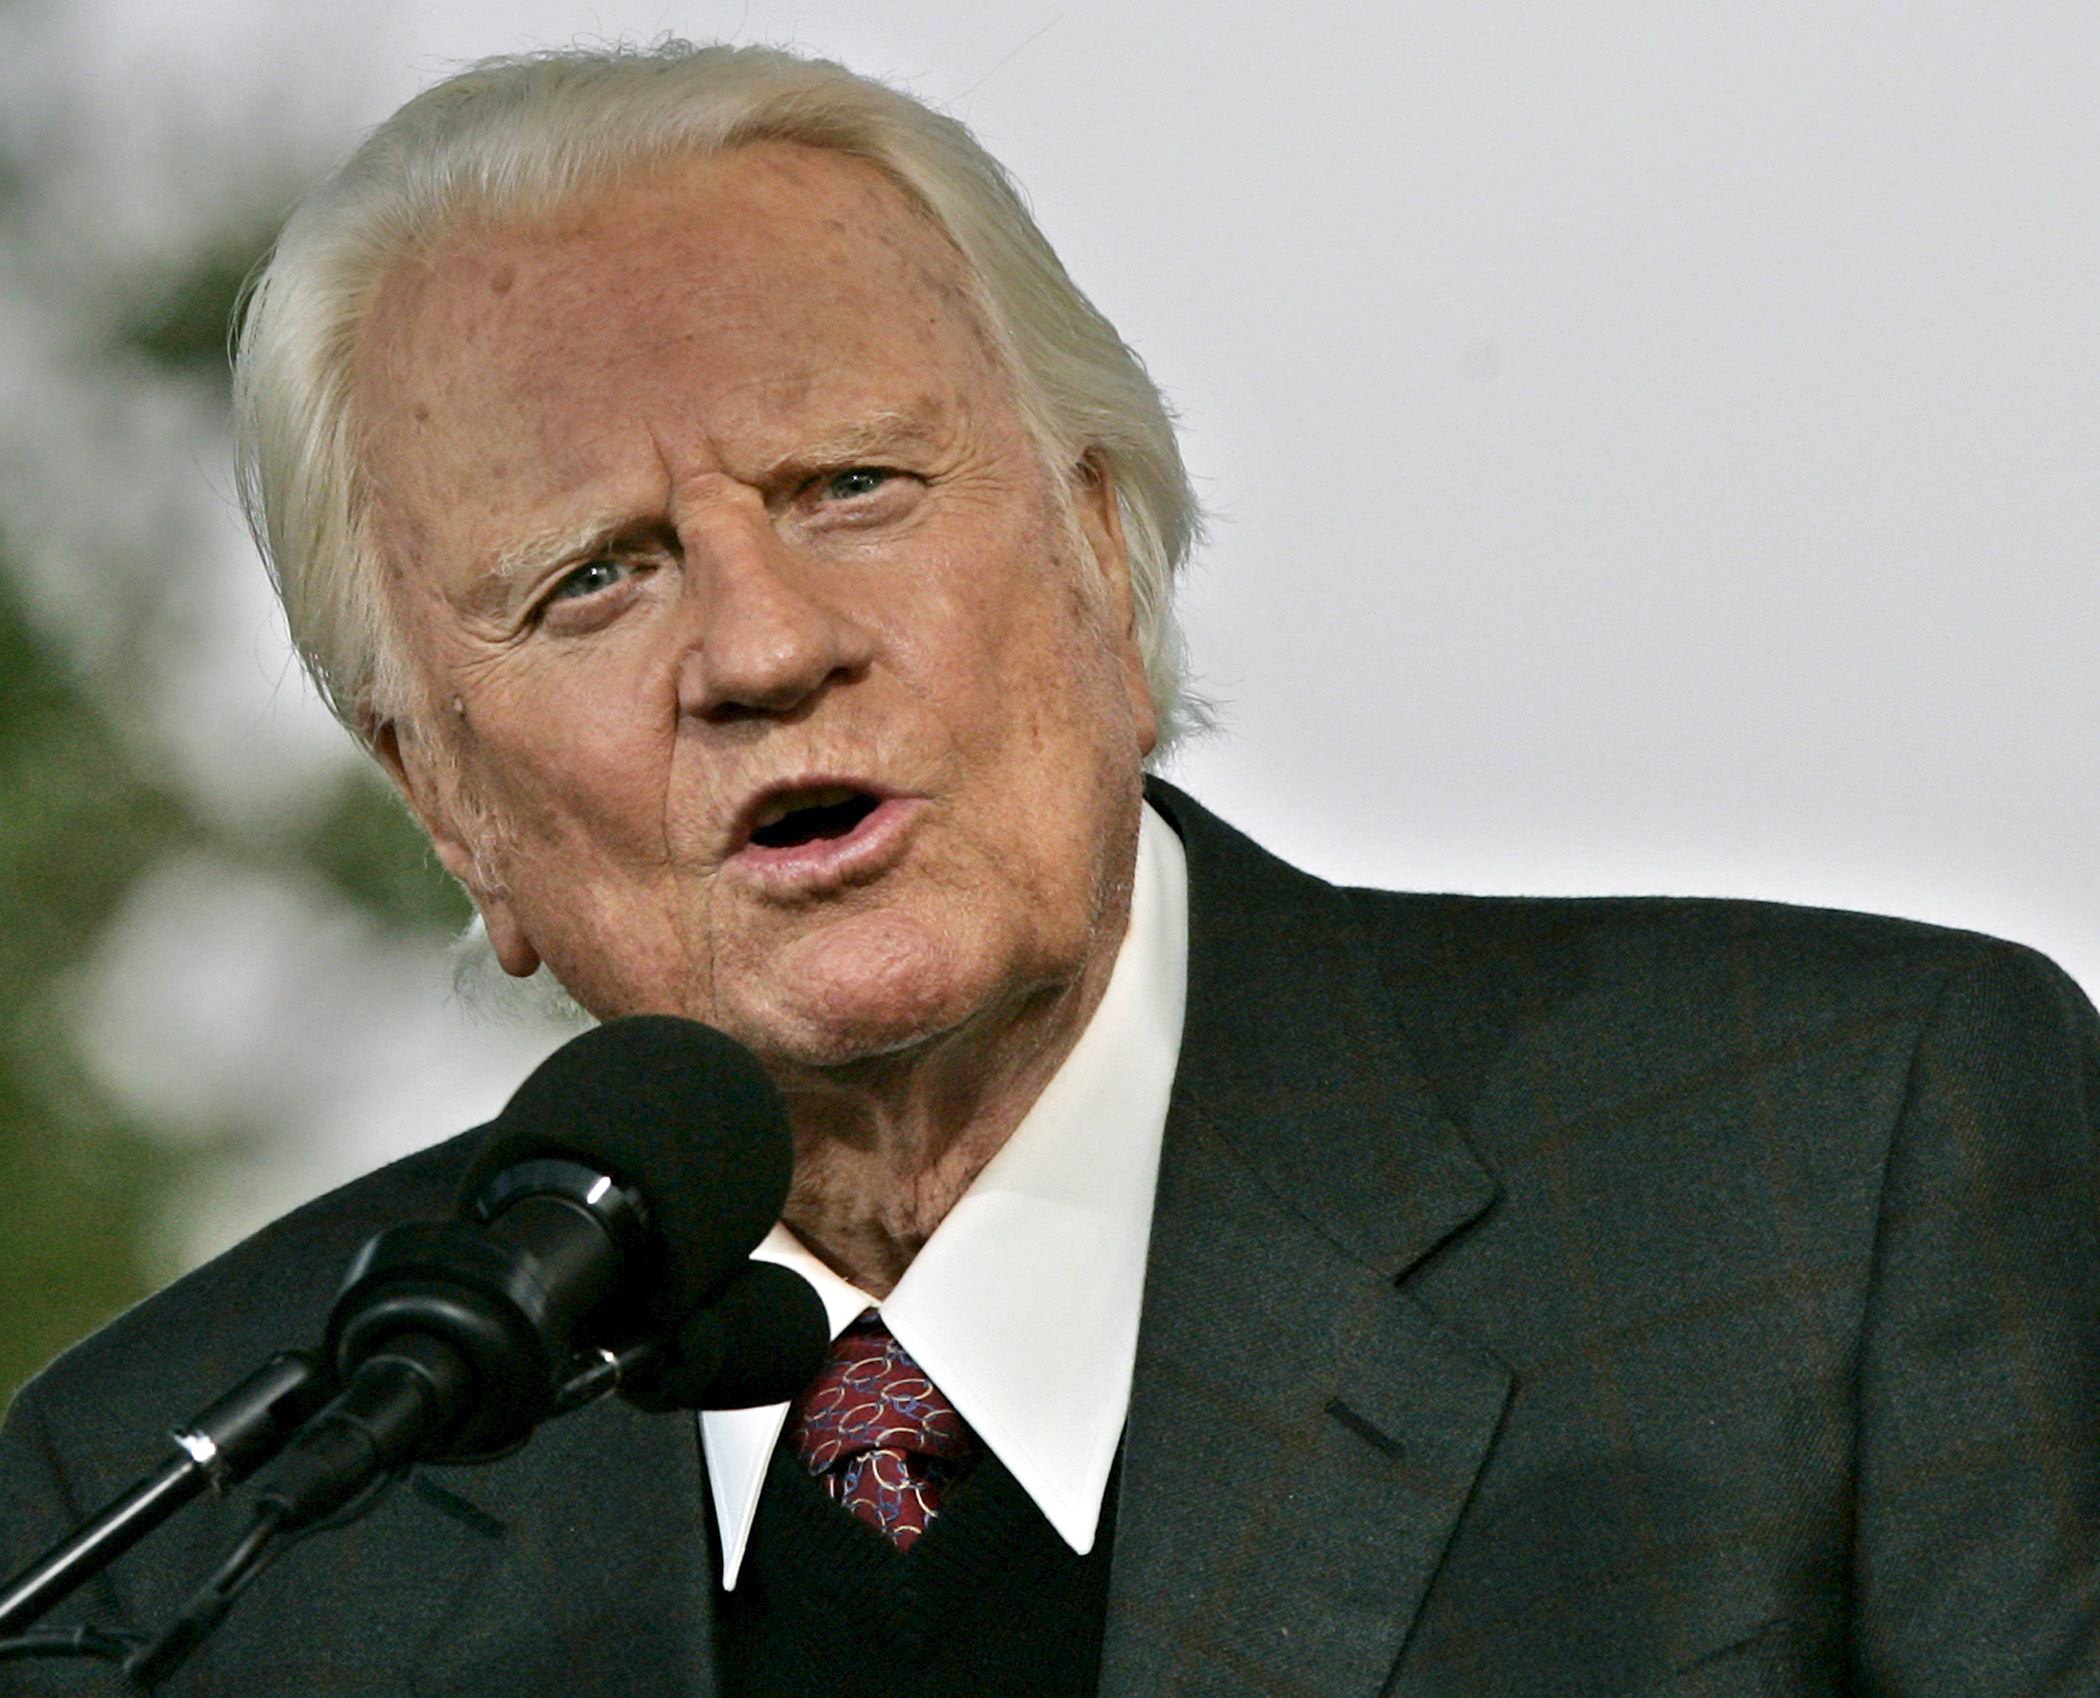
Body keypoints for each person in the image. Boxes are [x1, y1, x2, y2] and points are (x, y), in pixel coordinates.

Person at [3, 39, 2097, 1698]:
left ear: (1104, 551)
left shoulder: (1842, 1169)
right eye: (591, 581)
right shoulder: (184, 1518)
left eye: (853, 485)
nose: (762, 646)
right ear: (445, 799)